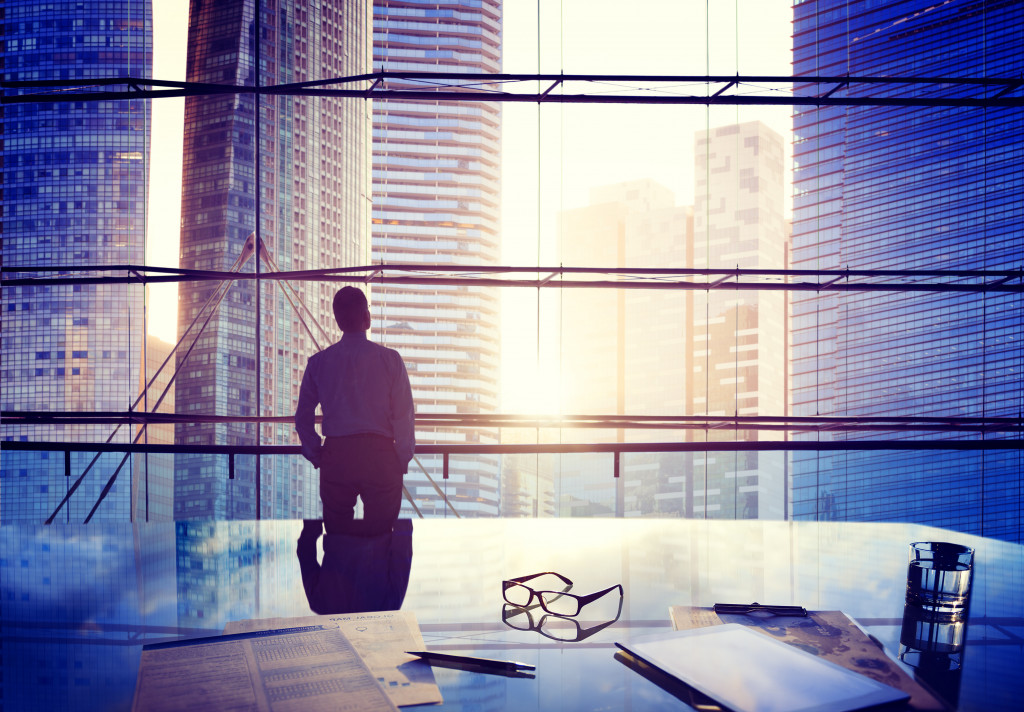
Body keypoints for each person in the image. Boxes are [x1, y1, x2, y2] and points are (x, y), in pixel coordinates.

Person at [294, 286, 415, 536]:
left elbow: (303, 416)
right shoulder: (391, 360)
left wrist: (317, 453)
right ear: (366, 318)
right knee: (382, 539)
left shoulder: (318, 363)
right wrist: (400, 458)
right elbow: (403, 416)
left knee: (338, 539)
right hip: (381, 455)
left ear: (337, 321)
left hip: (337, 454)